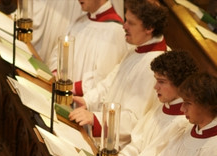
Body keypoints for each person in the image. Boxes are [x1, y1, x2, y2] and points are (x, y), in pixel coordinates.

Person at [69, 0, 168, 148]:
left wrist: (96, 119)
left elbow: (134, 119)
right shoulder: (138, 48)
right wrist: (87, 100)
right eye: (126, 20)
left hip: (115, 149)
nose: (124, 26)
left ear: (149, 28)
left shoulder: (154, 68)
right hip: (104, 134)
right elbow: (111, 83)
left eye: (131, 23)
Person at [111, 50, 198, 156]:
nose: (155, 87)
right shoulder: (162, 105)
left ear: (181, 85)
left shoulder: (182, 123)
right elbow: (136, 145)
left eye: (161, 82)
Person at [47, 0, 127, 96]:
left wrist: (72, 88)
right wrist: (57, 74)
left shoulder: (116, 31)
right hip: (61, 95)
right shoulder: (79, 22)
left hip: (83, 105)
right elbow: (57, 54)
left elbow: (104, 77)